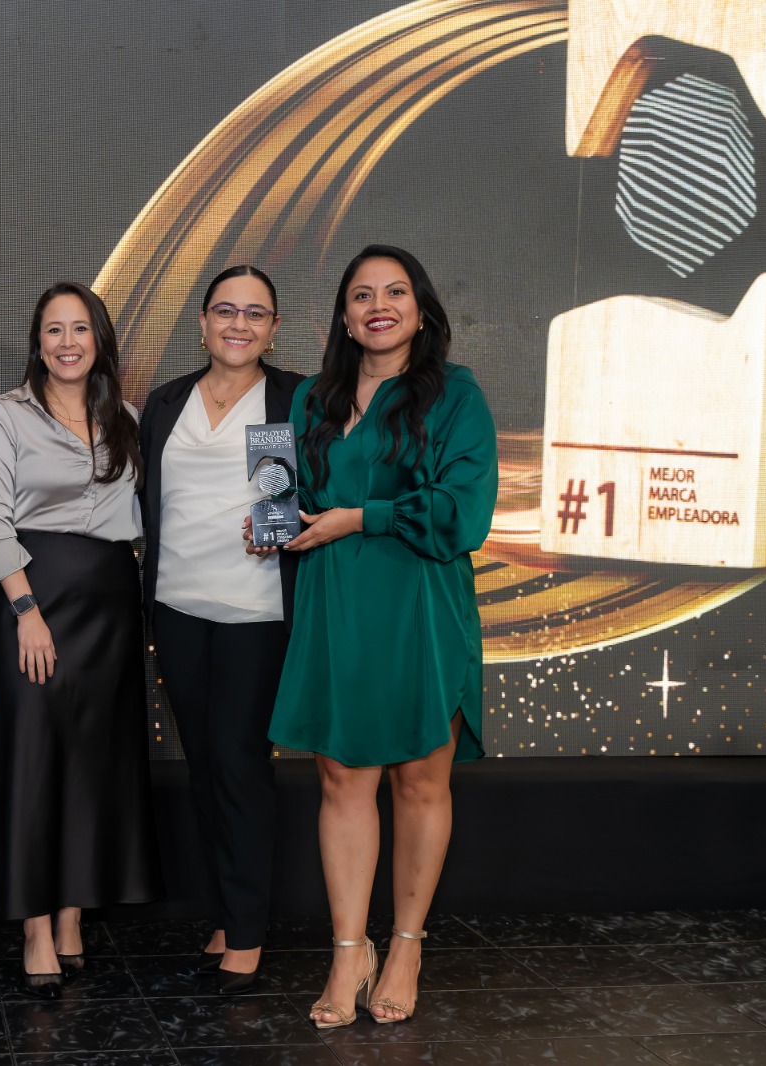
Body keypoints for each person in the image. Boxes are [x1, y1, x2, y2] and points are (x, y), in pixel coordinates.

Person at [261, 244, 496, 1028]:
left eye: (395, 292)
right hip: (335, 605)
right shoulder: (313, 398)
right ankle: (347, 952)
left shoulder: (456, 394)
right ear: (344, 315)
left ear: (421, 310)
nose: (379, 306)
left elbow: (464, 512)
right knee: (341, 782)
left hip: (420, 604)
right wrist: (270, 525)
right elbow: (292, 497)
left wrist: (361, 517)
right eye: (362, 295)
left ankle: (405, 946)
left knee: (420, 782)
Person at [0, 281, 161, 999]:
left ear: (100, 340)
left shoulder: (129, 419)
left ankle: (75, 912)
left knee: (94, 761)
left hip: (110, 603)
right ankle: (36, 927)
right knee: (34, 759)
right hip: (32, 599)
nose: (68, 342)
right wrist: (25, 608)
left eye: (81, 328)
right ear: (38, 342)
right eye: (54, 329)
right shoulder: (6, 414)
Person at [139, 265, 304, 994]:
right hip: (176, 607)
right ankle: (225, 915)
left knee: (239, 764)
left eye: (255, 313)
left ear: (274, 328)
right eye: (226, 311)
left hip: (255, 612)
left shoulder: (295, 398)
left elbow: (312, 490)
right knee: (204, 765)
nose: (239, 324)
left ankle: (247, 932)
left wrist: (290, 523)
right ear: (202, 321)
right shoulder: (167, 401)